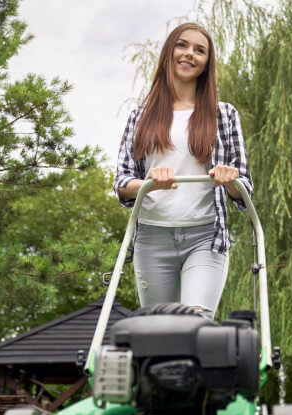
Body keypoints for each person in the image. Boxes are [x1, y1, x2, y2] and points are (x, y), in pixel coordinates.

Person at [114, 22, 253, 320]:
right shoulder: (141, 116)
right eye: (182, 45)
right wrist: (149, 184)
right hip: (152, 237)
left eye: (199, 50)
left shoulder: (224, 115)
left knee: (195, 325)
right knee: (158, 330)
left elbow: (244, 190)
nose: (189, 54)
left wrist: (230, 180)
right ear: (169, 53)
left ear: (206, 64)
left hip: (205, 237)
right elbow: (123, 183)